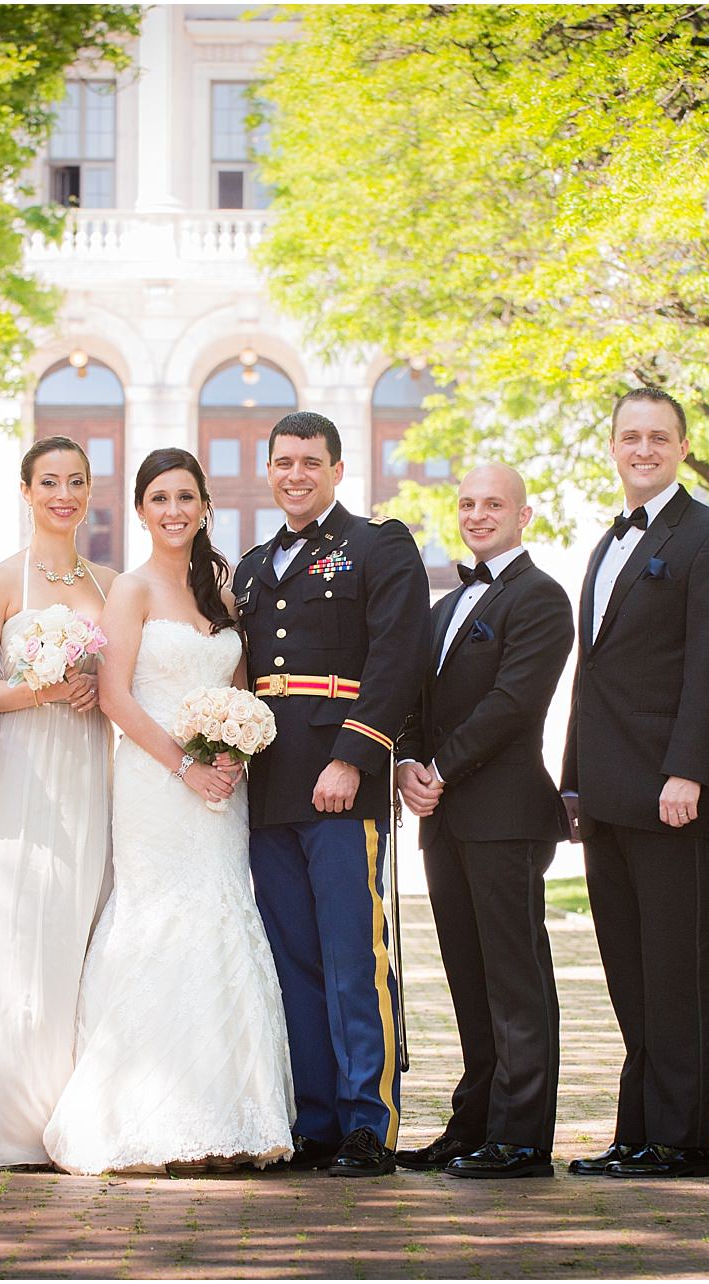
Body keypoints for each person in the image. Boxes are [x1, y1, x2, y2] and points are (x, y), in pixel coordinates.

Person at [43, 448, 296, 1175]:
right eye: (160, 498)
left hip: (222, 785)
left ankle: (232, 1117)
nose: (174, 510)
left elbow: (242, 688)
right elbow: (117, 695)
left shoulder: (222, 588)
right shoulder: (131, 590)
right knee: (163, 920)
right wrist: (184, 766)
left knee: (223, 916)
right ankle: (149, 1114)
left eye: (186, 497)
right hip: (158, 783)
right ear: (141, 510)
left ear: (204, 506)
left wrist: (233, 754)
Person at [560, 387, 709, 1180]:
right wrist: (571, 781)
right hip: (606, 798)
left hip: (675, 797)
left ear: (682, 447)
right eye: (630, 437)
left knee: (676, 974)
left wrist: (688, 772)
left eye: (658, 437)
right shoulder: (607, 542)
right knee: (631, 975)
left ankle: (678, 1140)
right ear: (614, 447)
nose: (643, 449)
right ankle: (636, 1131)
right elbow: (594, 675)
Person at [233, 411, 430, 1178]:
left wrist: (355, 755)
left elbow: (398, 657)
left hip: (341, 781)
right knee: (294, 959)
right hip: (271, 781)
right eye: (283, 462)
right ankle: (315, 1118)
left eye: (310, 462)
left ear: (337, 469)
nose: (295, 475)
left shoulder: (377, 545)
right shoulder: (249, 567)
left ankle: (366, 1124)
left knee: (354, 955)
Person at [393, 464, 573, 1180]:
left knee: (514, 981)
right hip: (444, 821)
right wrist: (407, 762)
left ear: (523, 514)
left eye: (493, 503)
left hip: (505, 816)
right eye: (467, 503)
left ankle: (522, 1137)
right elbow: (414, 700)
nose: (477, 514)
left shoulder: (542, 598)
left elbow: (513, 703)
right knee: (469, 980)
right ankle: (474, 1125)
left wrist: (440, 769)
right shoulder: (443, 608)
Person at [0, 435, 116, 1168]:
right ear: (25, 491)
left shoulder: (111, 584)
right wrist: (36, 691)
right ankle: (12, 1125)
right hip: (18, 772)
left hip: (87, 773)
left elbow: (129, 684)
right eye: (49, 481)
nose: (63, 494)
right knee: (15, 936)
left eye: (76, 481)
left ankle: (68, 1111)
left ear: (90, 491)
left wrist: (95, 690)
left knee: (75, 936)